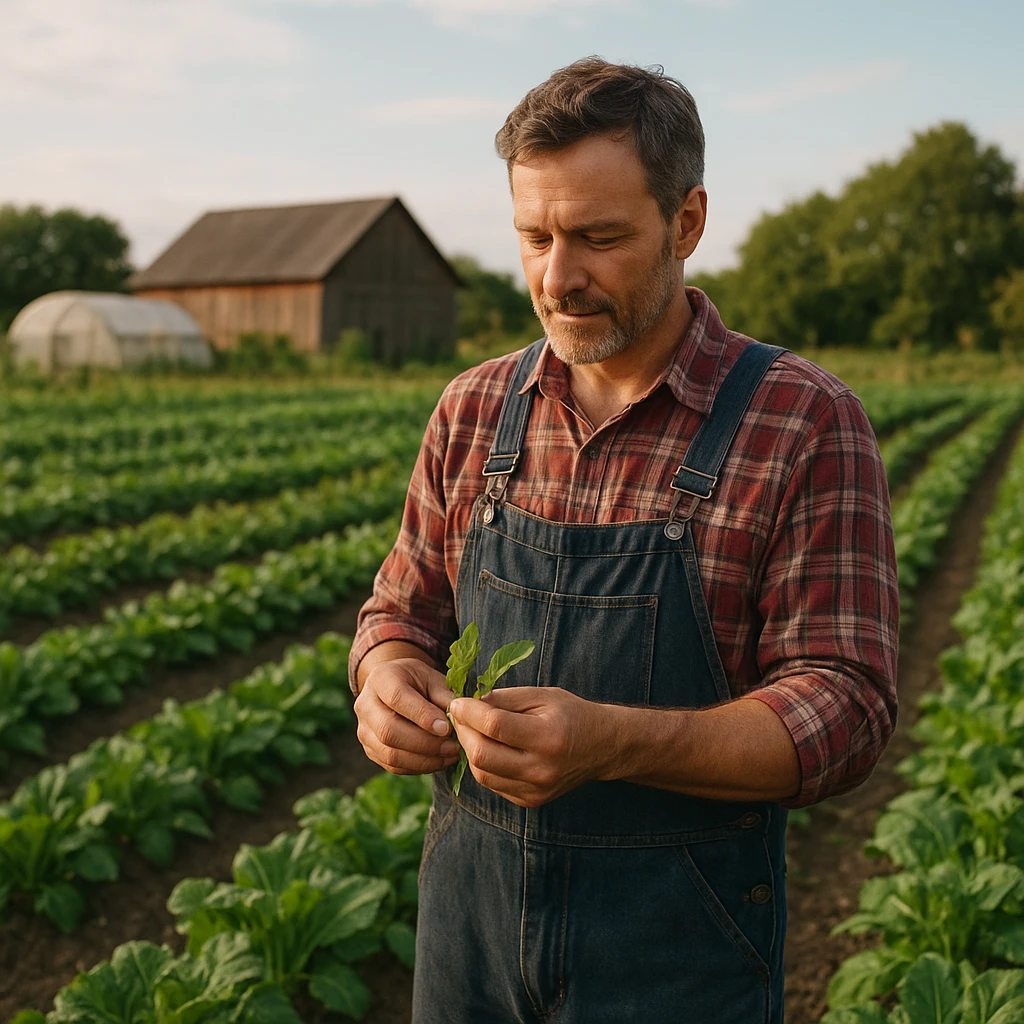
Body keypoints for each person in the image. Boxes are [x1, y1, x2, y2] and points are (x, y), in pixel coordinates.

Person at [349, 56, 898, 1024]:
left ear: (685, 222)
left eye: (599, 237)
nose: (558, 278)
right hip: (467, 940)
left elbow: (843, 710)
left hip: (676, 952)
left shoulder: (801, 420)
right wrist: (385, 677)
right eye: (534, 236)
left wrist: (610, 741)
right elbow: (400, 609)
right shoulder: (473, 407)